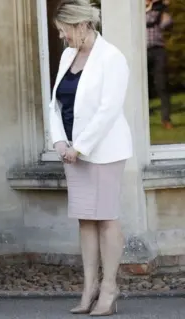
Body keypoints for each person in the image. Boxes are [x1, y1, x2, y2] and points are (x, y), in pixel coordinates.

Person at [49, 0, 133, 316]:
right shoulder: (68, 55)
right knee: (86, 219)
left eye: (63, 30)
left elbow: (108, 110)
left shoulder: (112, 57)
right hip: (73, 151)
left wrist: (80, 147)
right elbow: (54, 102)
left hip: (104, 151)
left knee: (106, 217)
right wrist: (59, 140)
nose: (61, 37)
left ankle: (109, 289)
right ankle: (89, 290)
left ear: (80, 25)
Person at [146, 0, 173, 129]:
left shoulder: (159, 11)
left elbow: (167, 23)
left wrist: (163, 8)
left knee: (162, 86)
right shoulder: (136, 14)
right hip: (141, 52)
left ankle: (166, 120)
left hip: (158, 51)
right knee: (139, 87)